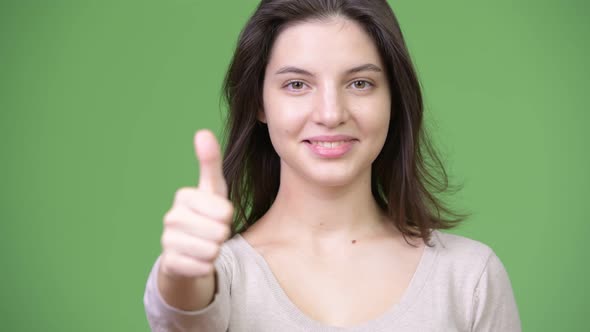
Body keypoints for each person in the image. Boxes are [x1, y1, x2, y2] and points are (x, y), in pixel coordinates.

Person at [143, 0, 521, 331]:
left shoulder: (469, 276)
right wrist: (179, 273)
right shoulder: (220, 276)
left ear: (393, 99)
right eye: (296, 84)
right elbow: (183, 316)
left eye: (359, 83)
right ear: (260, 102)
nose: (330, 113)